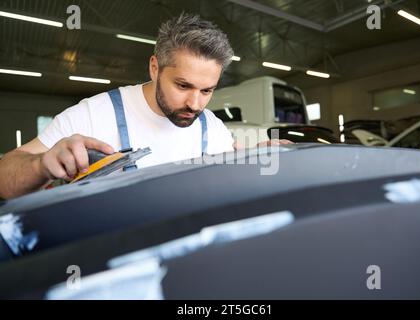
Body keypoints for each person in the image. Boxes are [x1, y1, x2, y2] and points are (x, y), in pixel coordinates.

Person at [0, 13, 289, 200]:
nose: (195, 103)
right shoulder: (93, 114)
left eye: (207, 90)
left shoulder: (211, 126)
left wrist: (253, 159)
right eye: (183, 86)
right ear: (155, 67)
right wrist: (41, 165)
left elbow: (231, 180)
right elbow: (4, 179)